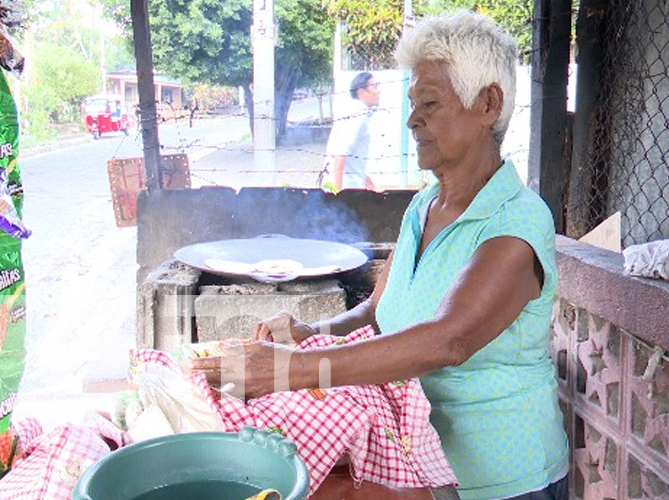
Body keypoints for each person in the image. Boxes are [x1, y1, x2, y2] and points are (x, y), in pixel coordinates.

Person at [194, 10, 569, 500]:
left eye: (430, 103)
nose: (413, 119)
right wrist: (311, 334)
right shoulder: (422, 207)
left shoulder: (518, 220)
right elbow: (377, 313)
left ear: (488, 104)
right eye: (413, 104)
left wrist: (293, 369)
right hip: (417, 464)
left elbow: (447, 341)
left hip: (500, 477)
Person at [323, 71, 380, 191]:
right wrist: (338, 194)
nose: (378, 91)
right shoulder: (359, 112)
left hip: (347, 184)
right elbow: (341, 151)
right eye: (374, 87)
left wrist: (365, 178)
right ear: (361, 92)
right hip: (347, 188)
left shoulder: (353, 110)